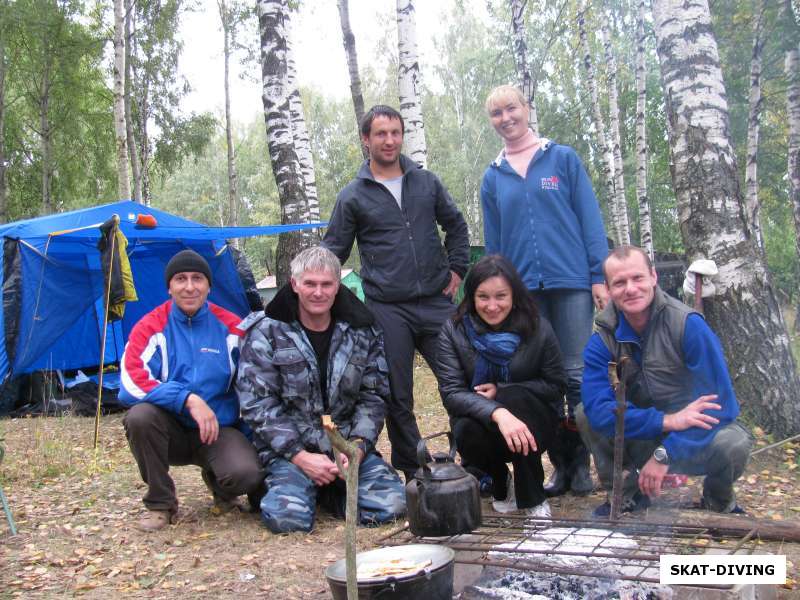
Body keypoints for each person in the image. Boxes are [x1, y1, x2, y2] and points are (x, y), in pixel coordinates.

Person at [323, 105, 470, 481]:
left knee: (460, 380)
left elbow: (456, 225)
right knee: (396, 393)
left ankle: (474, 459)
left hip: (437, 303)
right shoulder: (352, 195)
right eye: (380, 134)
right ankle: (412, 469)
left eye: (395, 132)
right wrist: (325, 299)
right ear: (366, 139)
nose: (389, 140)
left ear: (402, 136)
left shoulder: (426, 182)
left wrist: (457, 269)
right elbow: (332, 253)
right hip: (387, 308)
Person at [481, 85, 609, 498]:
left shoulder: (562, 159)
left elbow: (589, 219)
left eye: (511, 108)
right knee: (541, 380)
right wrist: (501, 295)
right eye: (497, 113)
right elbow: (494, 244)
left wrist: (597, 275)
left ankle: (587, 465)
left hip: (570, 283)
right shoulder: (493, 176)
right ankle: (559, 467)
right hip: (525, 295)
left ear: (527, 109)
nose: (506, 118)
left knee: (575, 374)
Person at [236, 246, 406, 533]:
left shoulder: (362, 330)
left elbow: (373, 396)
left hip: (346, 447)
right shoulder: (266, 331)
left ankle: (330, 493)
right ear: (294, 284)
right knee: (289, 522)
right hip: (291, 451)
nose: (318, 292)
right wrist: (300, 456)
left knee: (392, 506)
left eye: (326, 284)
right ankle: (290, 487)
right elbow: (258, 404)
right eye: (310, 284)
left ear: (338, 285)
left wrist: (357, 448)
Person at [578, 245, 753, 516]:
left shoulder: (688, 325)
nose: (631, 289)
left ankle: (718, 500)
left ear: (653, 277)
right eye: (620, 283)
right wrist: (666, 421)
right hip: (643, 431)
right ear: (609, 290)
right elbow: (597, 411)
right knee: (584, 415)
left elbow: (722, 406)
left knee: (733, 442)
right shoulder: (602, 339)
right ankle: (626, 494)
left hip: (692, 433)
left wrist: (665, 454)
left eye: (638, 278)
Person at [120, 249, 264, 532]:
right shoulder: (150, 326)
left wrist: (252, 444)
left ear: (209, 286)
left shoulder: (232, 328)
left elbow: (253, 389)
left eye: (197, 278)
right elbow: (130, 381)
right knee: (139, 417)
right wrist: (186, 399)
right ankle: (160, 503)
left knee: (246, 474)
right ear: (169, 287)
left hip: (218, 430)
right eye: (180, 279)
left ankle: (222, 486)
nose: (189, 286)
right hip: (168, 428)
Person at [436, 255, 567, 517]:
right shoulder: (454, 330)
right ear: (471, 296)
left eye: (501, 296)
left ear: (514, 296)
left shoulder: (538, 328)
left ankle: (533, 497)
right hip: (485, 422)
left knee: (516, 398)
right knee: (464, 428)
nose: (492, 306)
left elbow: (555, 386)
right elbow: (451, 393)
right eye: (483, 297)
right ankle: (500, 483)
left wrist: (503, 392)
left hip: (536, 422)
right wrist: (498, 410)